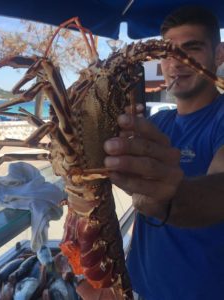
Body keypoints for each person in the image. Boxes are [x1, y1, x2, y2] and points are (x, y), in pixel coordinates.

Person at [104, 5, 224, 300]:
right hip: (138, 287)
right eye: (169, 53)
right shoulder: (156, 123)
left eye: (191, 49)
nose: (177, 63)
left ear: (219, 54)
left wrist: (167, 200)